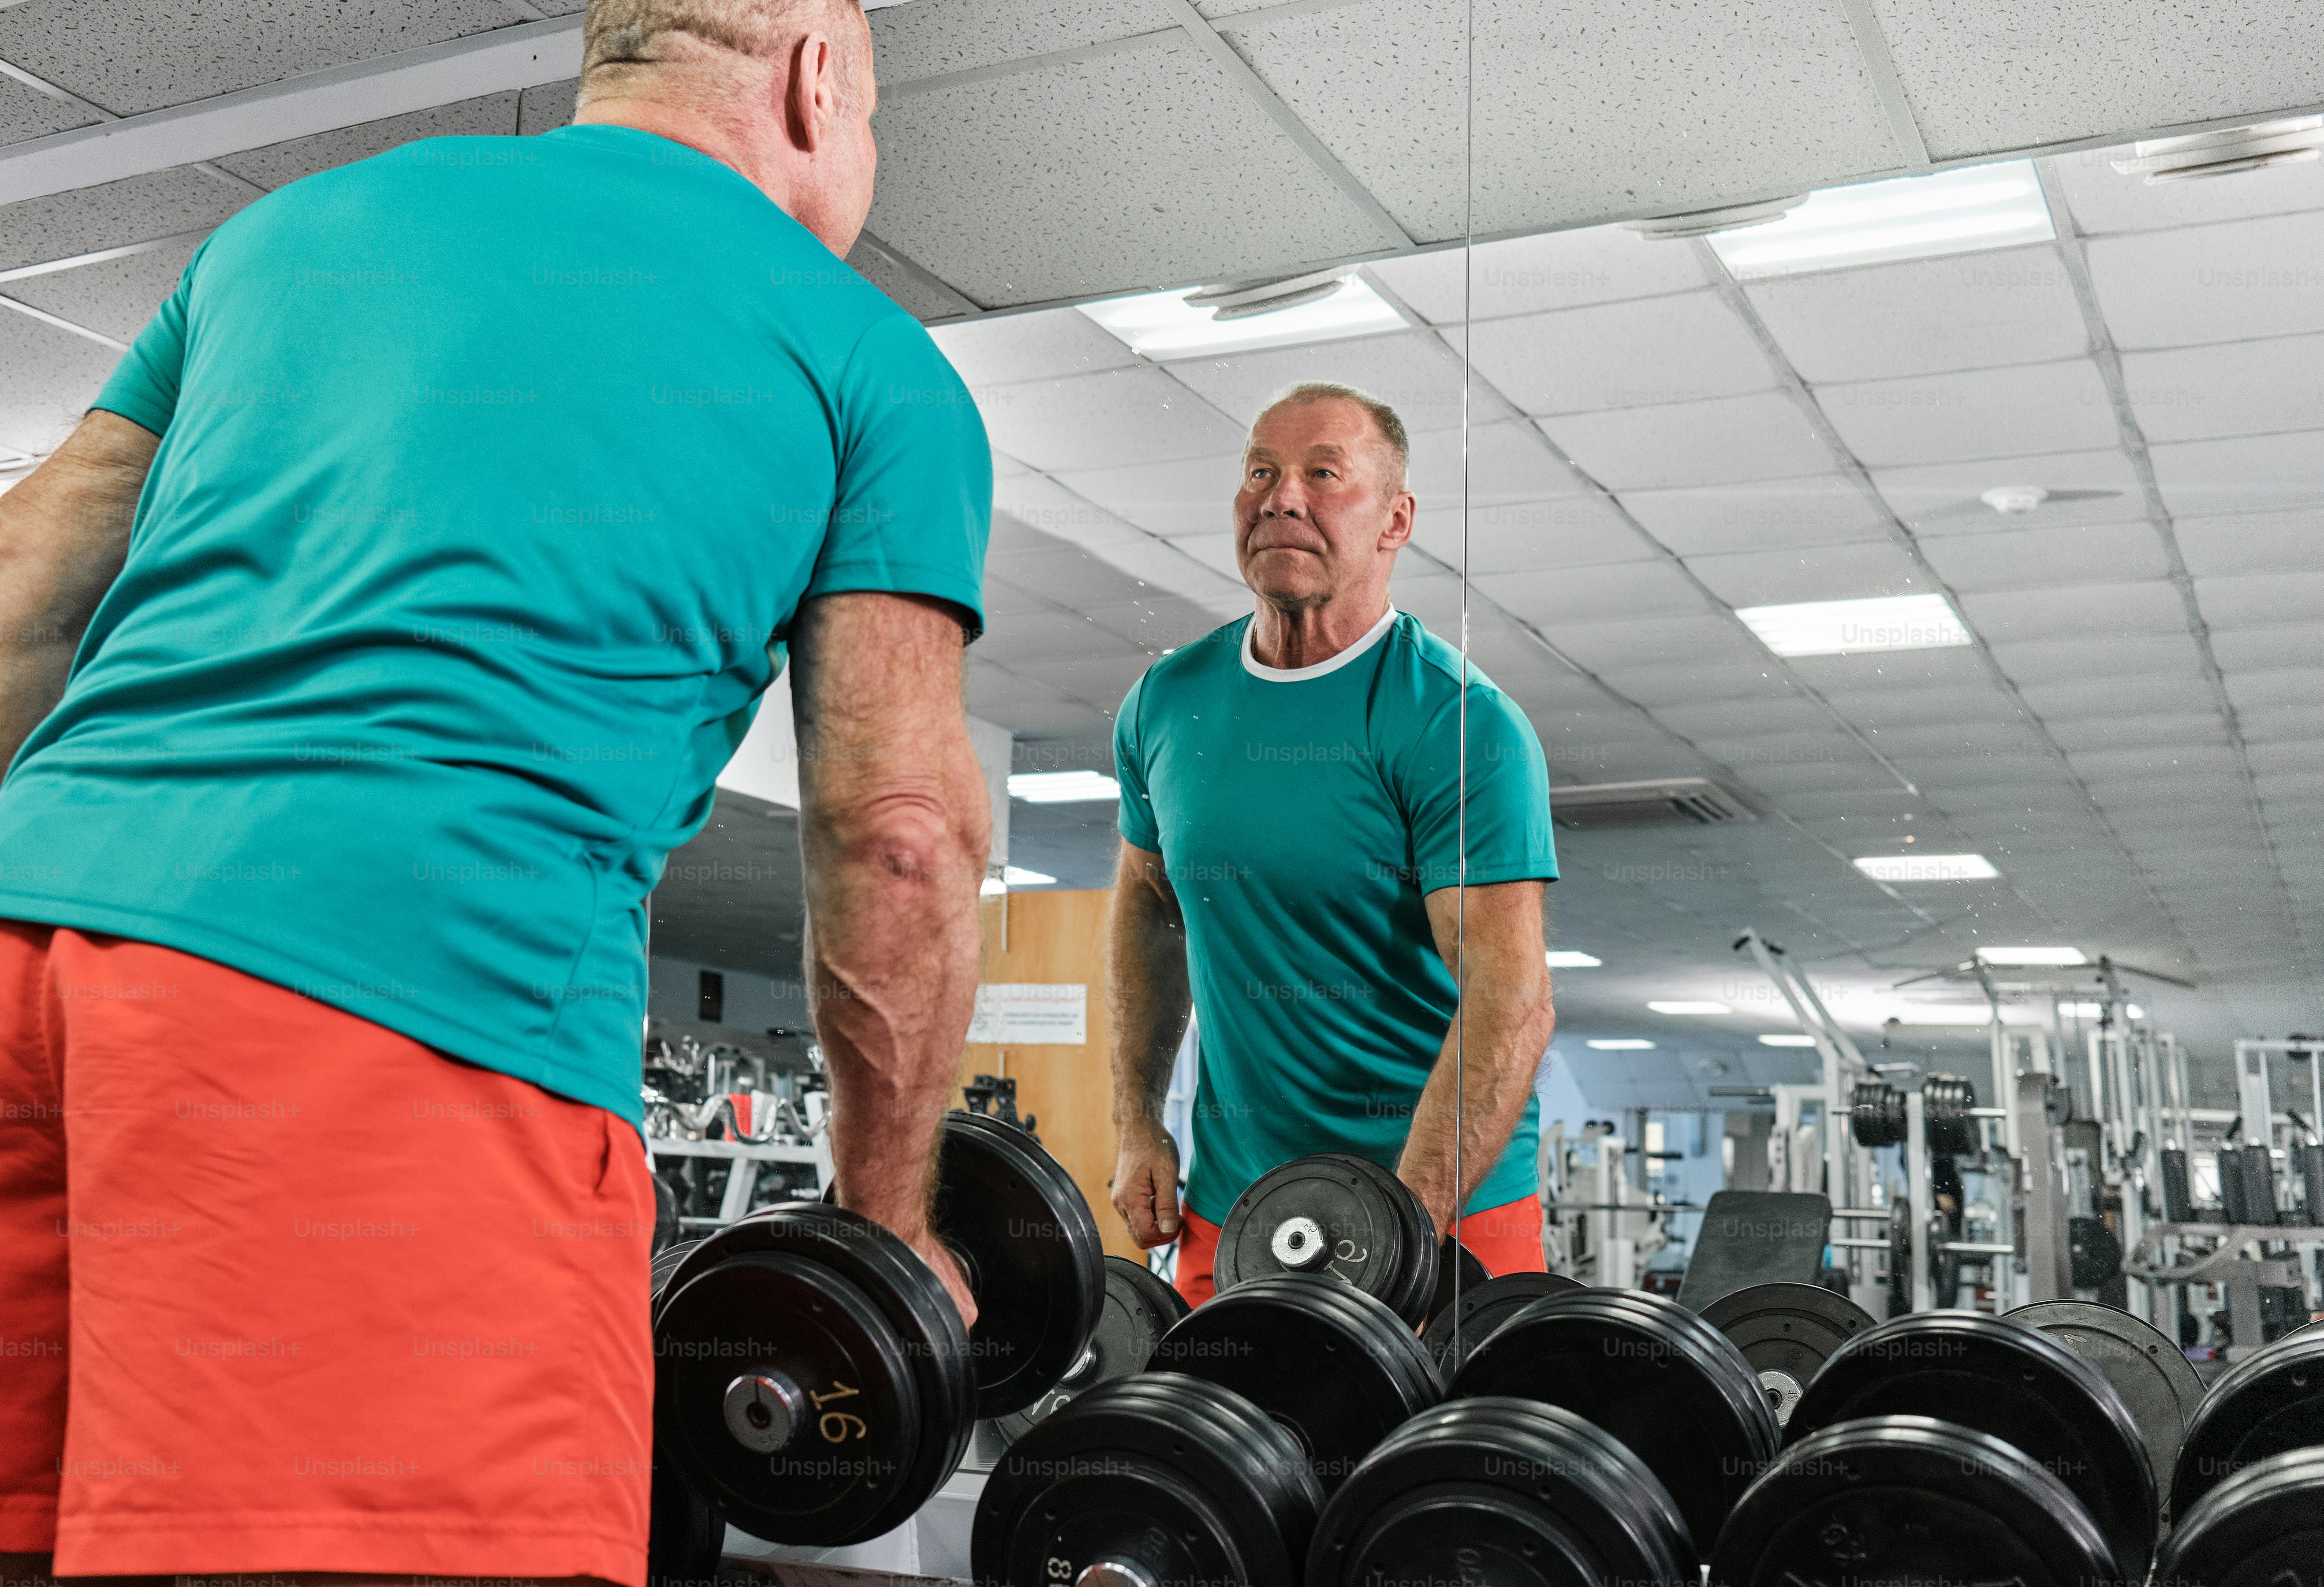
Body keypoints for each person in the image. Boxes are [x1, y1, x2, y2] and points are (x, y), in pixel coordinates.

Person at [0, 3, 992, 1584]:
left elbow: (18, 596)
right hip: (390, 1026)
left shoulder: (282, 235)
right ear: (820, 81)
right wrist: (883, 1229)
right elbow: (902, 840)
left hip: (28, 964)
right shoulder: (867, 355)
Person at [1105, 382, 1559, 1305]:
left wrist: (1397, 1231)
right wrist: (1136, 1121)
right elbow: (1150, 913)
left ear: (1396, 522)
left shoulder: (1459, 724)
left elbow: (1511, 1003)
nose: (1282, 497)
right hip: (1239, 1202)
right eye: (1261, 473)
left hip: (1448, 1202)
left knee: (1448, 1454)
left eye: (1323, 474)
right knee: (1209, 1447)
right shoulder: (1166, 702)